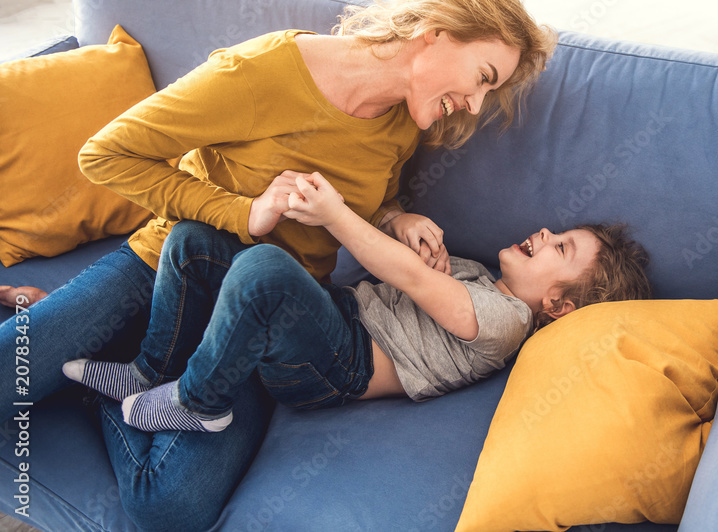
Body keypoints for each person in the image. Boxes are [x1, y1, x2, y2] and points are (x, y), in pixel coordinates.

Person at [0, 0, 556, 530]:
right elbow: (105, 154)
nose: (475, 104)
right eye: (483, 77)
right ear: (435, 31)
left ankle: (106, 385)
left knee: (173, 509)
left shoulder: (403, 121)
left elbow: (371, 194)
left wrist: (397, 215)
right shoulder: (263, 71)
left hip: (265, 311)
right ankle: (105, 349)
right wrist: (246, 213)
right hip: (170, 261)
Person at [62, 171, 652, 435]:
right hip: (334, 315)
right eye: (557, 230)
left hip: (338, 366)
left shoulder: (508, 323)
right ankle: (151, 370)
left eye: (561, 246)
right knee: (195, 241)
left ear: (558, 304)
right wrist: (405, 225)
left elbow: (413, 285)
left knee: (264, 268)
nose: (545, 233)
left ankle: (199, 402)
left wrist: (337, 215)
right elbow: (417, 277)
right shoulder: (479, 277)